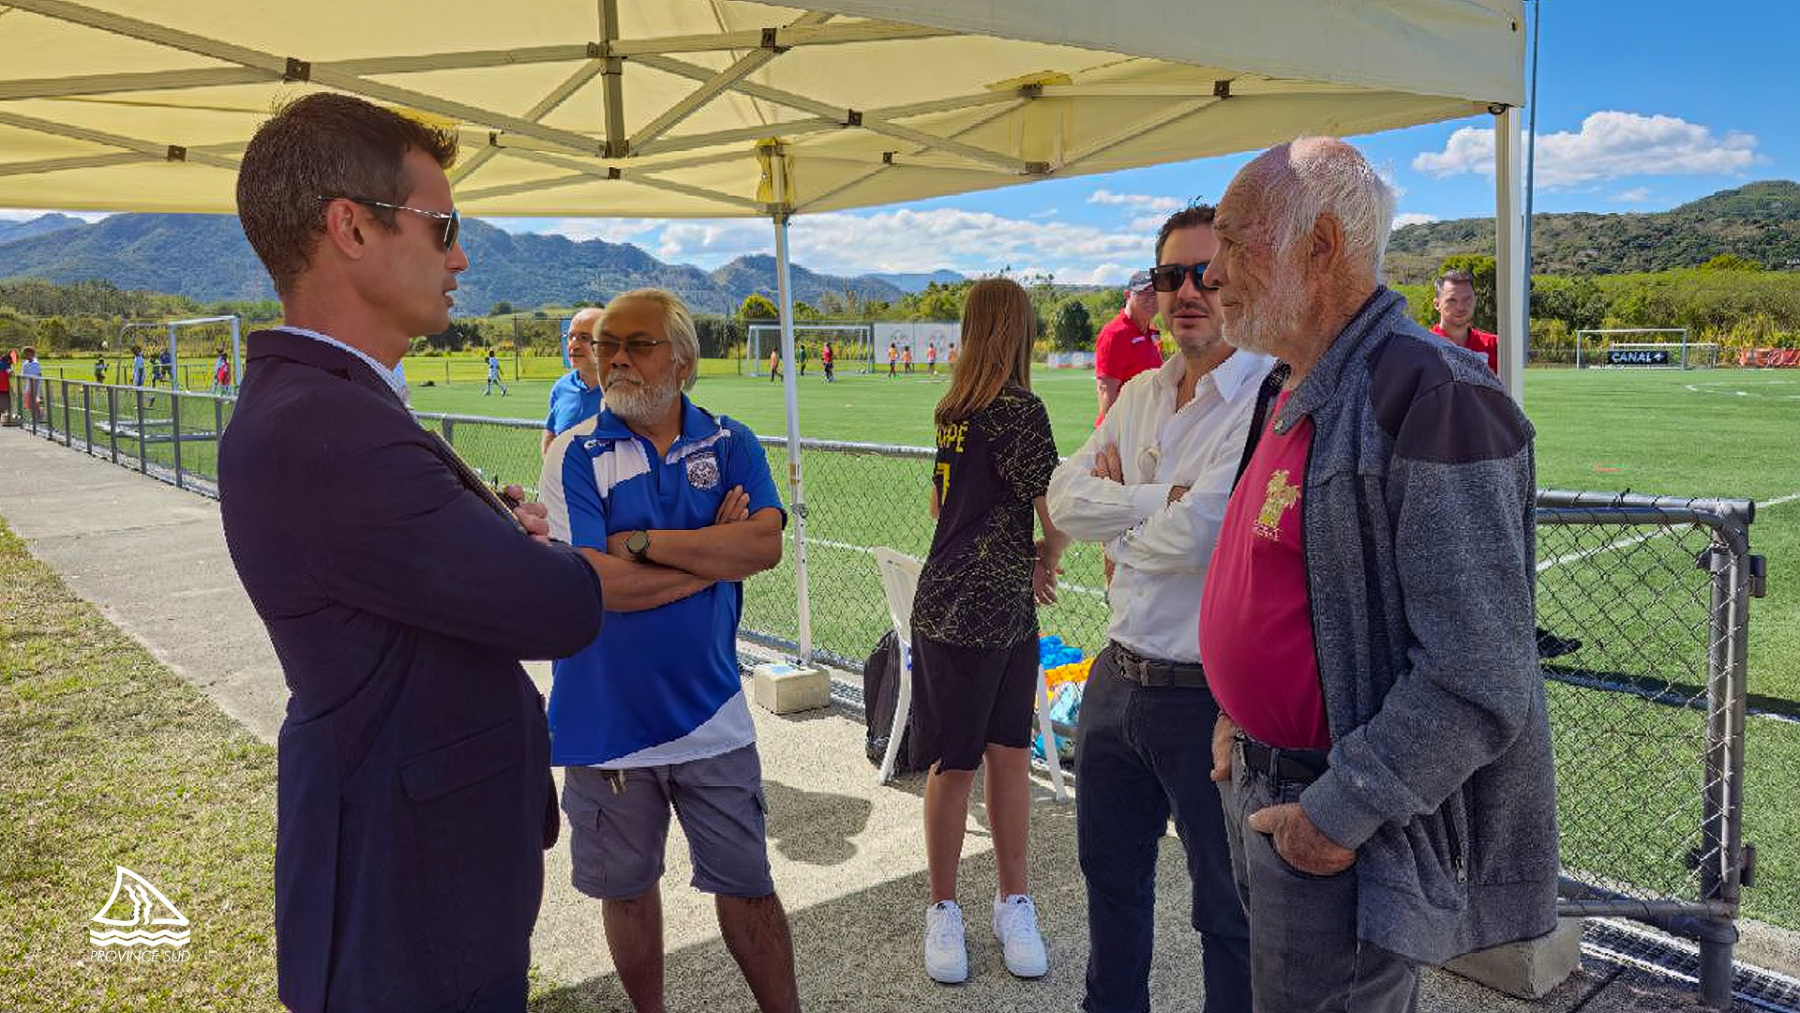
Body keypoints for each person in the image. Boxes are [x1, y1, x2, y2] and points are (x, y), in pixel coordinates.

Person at [218, 92, 606, 1013]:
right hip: (405, 902)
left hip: (415, 874)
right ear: (351, 227)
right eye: (444, 227)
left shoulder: (327, 405)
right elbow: (562, 606)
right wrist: (533, 546)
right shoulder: (326, 427)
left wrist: (501, 539)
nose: (460, 256)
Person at [1198, 137, 1558, 1012]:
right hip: (1266, 780)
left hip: (1337, 818)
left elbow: (1479, 674)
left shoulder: (1434, 394)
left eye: (1235, 242)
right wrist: (1237, 714)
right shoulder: (1292, 384)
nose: (1211, 274)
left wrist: (1335, 816)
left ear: (1320, 246)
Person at [538, 288, 799, 1013]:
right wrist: (712, 556)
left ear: (683, 361)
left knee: (748, 886)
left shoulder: (732, 443)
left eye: (638, 343)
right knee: (626, 891)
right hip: (605, 721)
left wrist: (646, 543)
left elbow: (764, 544)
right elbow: (597, 585)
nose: (615, 357)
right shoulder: (574, 453)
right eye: (607, 343)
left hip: (712, 712)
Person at [1047, 204, 1270, 1013]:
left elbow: (1210, 530)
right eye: (1171, 274)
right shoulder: (1142, 391)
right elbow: (1062, 497)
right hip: (1117, 679)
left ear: (1238, 279)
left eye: (1206, 272)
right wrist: (1153, 500)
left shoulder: (1263, 393)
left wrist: (1119, 520)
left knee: (1228, 913)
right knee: (1110, 886)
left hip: (1210, 698)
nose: (1188, 290)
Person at [911, 277, 1068, 986]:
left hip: (960, 604)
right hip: (982, 611)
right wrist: (1047, 558)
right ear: (1019, 330)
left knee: (964, 763)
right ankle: (997, 903)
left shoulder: (954, 409)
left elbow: (938, 505)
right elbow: (1055, 514)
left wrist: (1011, 547)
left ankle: (965, 906)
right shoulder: (1020, 410)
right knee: (997, 759)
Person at [1093, 270, 1164, 426]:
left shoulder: (1151, 333)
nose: (1152, 298)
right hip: (1125, 432)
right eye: (1145, 292)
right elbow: (1107, 392)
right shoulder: (1116, 333)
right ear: (1127, 295)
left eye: (1156, 293)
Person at [542, 307, 604, 454]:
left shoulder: (631, 391)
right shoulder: (562, 388)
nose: (573, 345)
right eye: (570, 337)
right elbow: (551, 436)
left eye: (584, 338)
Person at [1430, 269, 1500, 374]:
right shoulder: (1423, 347)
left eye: (1466, 300)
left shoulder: (1495, 345)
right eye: (1452, 300)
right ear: (1437, 304)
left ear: (1475, 301)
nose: (1460, 307)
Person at [19, 346, 41, 422]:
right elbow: (23, 374)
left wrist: (32, 390)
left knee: (34, 402)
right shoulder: (26, 363)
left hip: (34, 387)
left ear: (32, 354)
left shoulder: (35, 364)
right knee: (30, 404)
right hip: (28, 386)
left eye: (28, 354)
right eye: (25, 354)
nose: (26, 356)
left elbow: (34, 377)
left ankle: (37, 418)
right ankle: (35, 418)